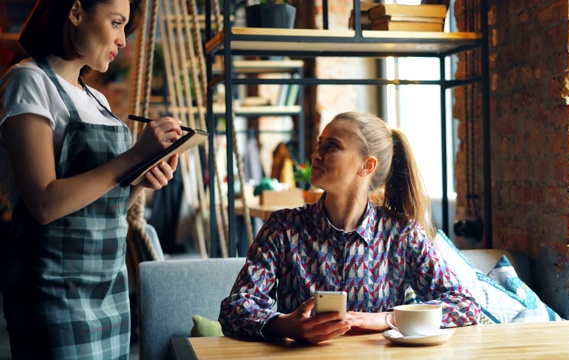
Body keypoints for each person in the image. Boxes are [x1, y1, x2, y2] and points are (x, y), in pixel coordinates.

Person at [0, 0, 183, 358]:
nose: (122, 41)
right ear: (75, 11)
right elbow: (45, 203)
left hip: (109, 288)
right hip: (53, 291)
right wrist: (133, 158)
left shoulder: (96, 99)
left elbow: (106, 206)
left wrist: (139, 179)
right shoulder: (28, 81)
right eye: (116, 23)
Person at [219, 111, 480, 343]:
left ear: (367, 165)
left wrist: (386, 319)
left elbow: (464, 305)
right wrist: (284, 325)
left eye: (331, 147)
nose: (315, 154)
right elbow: (235, 310)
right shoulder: (283, 228)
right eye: (320, 143)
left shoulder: (402, 233)